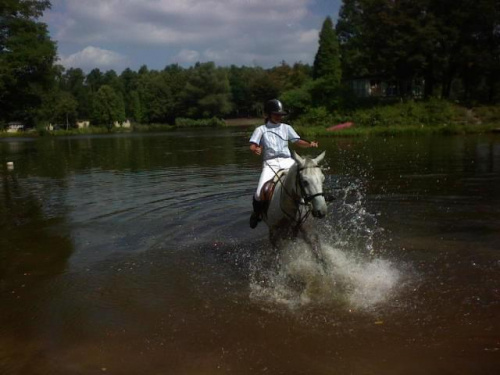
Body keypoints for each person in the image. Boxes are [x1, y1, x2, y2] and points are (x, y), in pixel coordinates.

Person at [249, 99, 318, 229]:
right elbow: (253, 145)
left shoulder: (287, 128)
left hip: (288, 161)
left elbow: (297, 141)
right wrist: (256, 149)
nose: (279, 116)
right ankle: (256, 214)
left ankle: (317, 203)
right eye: (276, 114)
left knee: (307, 178)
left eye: (280, 114)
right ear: (268, 114)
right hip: (271, 163)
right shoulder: (261, 130)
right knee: (259, 193)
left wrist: (309, 144)